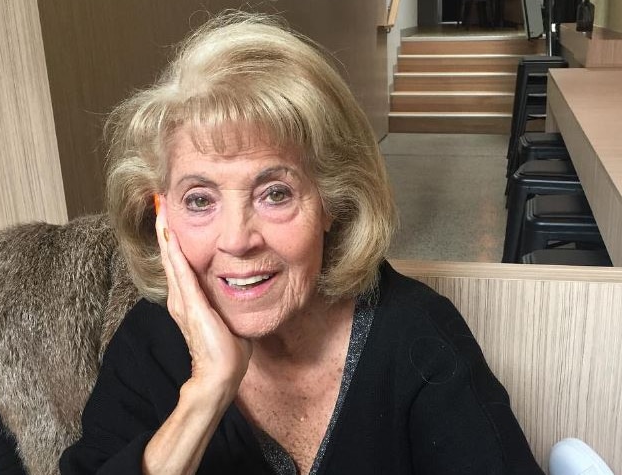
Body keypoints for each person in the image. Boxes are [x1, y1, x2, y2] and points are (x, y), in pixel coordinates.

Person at [60, 12, 543, 474]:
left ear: (333, 200)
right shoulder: (151, 341)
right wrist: (208, 393)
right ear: (162, 214)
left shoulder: (416, 335)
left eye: (275, 193)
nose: (237, 239)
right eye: (200, 199)